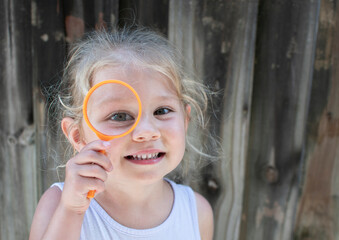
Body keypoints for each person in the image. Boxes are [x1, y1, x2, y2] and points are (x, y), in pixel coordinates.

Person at [29, 27, 215, 240]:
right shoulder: (60, 205)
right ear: (78, 136)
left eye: (162, 111)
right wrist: (72, 211)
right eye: (119, 116)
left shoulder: (197, 213)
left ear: (185, 121)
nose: (146, 132)